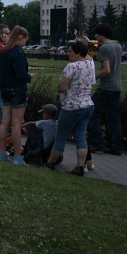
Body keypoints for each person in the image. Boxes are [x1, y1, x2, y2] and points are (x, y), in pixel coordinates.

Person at [45, 40, 96, 175]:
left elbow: (62, 87)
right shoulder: (89, 65)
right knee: (81, 136)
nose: (68, 54)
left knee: (61, 136)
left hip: (72, 107)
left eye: (71, 51)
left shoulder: (71, 66)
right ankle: (80, 167)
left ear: (78, 53)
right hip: (87, 105)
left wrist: (60, 87)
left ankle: (49, 163)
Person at [0, 25, 32, 164]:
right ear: (20, 38)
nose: (25, 44)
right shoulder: (18, 53)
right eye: (25, 41)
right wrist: (29, 77)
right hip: (17, 89)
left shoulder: (3, 52)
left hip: (4, 88)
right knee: (16, 124)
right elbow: (21, 74)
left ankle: (2, 153)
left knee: (5, 122)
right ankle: (17, 156)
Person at [87, 24, 123, 155]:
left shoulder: (104, 48)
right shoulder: (118, 46)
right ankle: (116, 146)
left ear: (101, 34)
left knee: (91, 110)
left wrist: (93, 78)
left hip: (106, 86)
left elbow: (107, 70)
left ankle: (98, 142)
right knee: (115, 117)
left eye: (96, 34)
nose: (95, 37)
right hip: (117, 86)